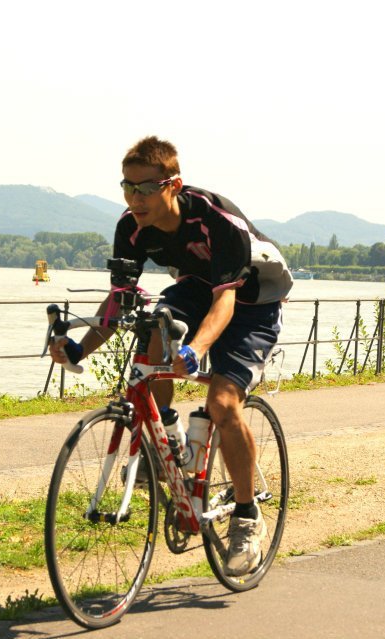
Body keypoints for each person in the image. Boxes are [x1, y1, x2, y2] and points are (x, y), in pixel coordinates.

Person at [50, 135, 292, 576]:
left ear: (172, 185)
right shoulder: (131, 227)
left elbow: (226, 303)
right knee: (152, 326)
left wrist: (198, 349)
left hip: (253, 299)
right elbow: (119, 301)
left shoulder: (218, 221)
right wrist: (77, 347)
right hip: (198, 288)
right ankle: (169, 442)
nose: (134, 198)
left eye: (145, 188)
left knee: (222, 403)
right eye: (127, 186)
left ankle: (245, 517)